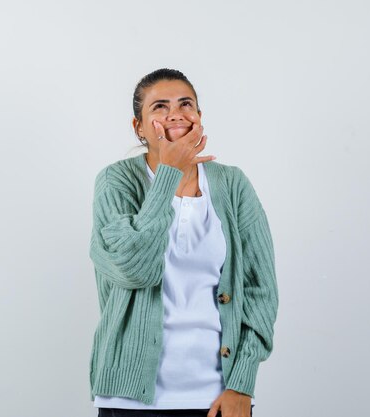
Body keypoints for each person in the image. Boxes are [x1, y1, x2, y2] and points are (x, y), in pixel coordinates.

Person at [88, 68, 278, 417]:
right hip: (130, 401)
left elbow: (260, 289)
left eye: (185, 104)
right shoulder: (116, 182)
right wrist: (168, 177)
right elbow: (133, 270)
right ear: (139, 127)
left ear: (199, 118)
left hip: (219, 397)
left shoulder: (232, 184)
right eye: (159, 106)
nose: (175, 113)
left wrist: (242, 384)